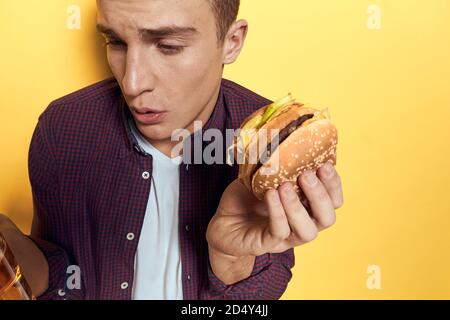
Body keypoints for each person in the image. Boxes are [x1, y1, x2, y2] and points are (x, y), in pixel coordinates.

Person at [0, 0, 343, 300]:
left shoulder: (273, 149)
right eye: (115, 41)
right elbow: (60, 279)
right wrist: (12, 247)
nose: (132, 83)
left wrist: (229, 257)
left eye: (167, 46)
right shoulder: (63, 128)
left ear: (232, 42)